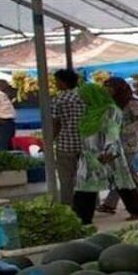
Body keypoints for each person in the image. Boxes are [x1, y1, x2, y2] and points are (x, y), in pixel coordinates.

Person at [72, 84, 138, 224]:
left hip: (109, 154)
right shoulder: (90, 111)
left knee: (122, 182)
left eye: (85, 97)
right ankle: (82, 218)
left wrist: (109, 152)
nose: (83, 100)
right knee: (86, 184)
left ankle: (137, 210)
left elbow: (112, 132)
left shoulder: (112, 110)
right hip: (90, 154)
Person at [97, 77, 138, 215]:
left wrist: (125, 129)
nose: (107, 90)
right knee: (128, 173)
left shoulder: (131, 103)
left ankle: (110, 203)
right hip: (114, 143)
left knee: (121, 173)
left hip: (129, 144)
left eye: (110, 87)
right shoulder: (110, 103)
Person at [52, 69, 85, 205]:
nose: (55, 84)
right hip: (86, 143)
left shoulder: (58, 99)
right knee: (85, 176)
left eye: (57, 81)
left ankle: (68, 205)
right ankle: (89, 205)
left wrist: (50, 139)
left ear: (63, 82)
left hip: (66, 144)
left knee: (66, 179)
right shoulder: (85, 96)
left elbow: (55, 123)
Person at [0, 80, 16, 151]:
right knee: (2, 144)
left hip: (7, 122)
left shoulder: (3, 94)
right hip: (2, 122)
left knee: (8, 144)